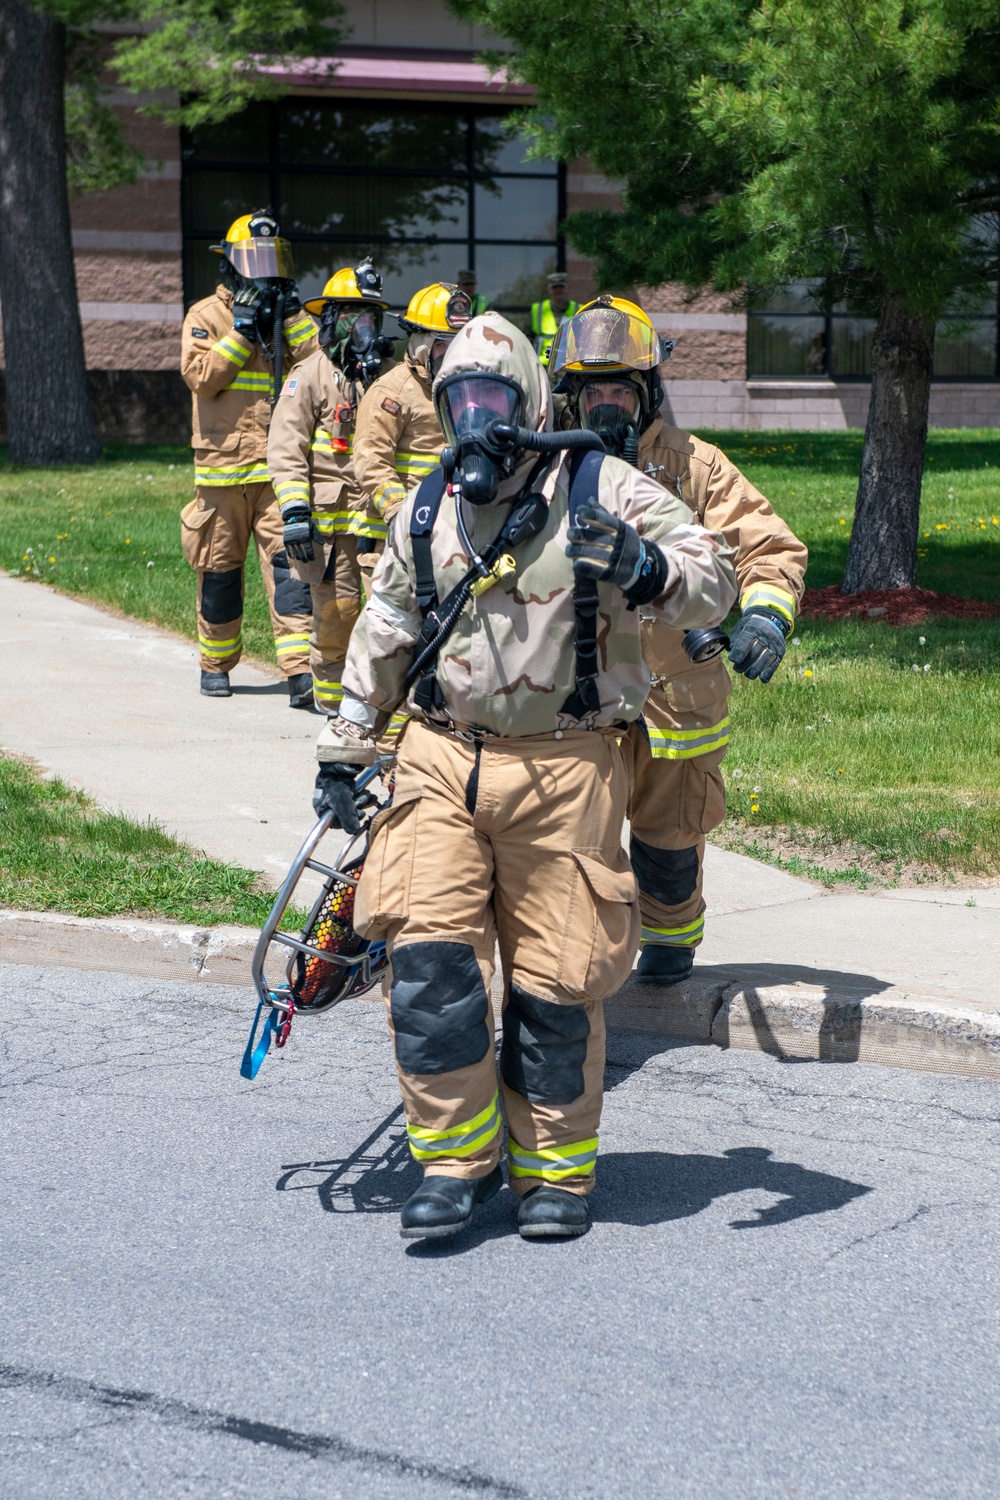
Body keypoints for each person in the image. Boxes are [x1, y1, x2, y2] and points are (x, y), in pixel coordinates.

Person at [311, 313, 737, 1242]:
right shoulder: (426, 507)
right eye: (460, 400)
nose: (477, 419)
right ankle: (453, 1163)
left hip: (566, 767)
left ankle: (554, 1173)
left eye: (494, 399)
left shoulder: (604, 486)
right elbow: (385, 623)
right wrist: (345, 748)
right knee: (431, 971)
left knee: (555, 984)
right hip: (438, 758)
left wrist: (647, 563)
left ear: (533, 404)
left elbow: (717, 578)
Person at [551, 296, 808, 983]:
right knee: (576, 842)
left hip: (675, 700)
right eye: (593, 391)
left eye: (620, 391)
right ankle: (579, 962)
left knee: (668, 844)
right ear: (569, 397)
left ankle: (671, 943)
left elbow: (770, 545)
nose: (607, 406)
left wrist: (764, 615)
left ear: (648, 393)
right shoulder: (548, 467)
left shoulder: (696, 465)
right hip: (581, 700)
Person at [180, 210, 318, 705]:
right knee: (219, 570)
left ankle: (301, 671)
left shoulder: (287, 321)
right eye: (255, 263)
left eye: (273, 263)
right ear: (231, 267)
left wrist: (296, 317)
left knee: (292, 568)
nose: (265, 274)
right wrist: (240, 332)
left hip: (278, 472)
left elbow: (318, 367)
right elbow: (201, 377)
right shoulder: (206, 317)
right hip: (221, 475)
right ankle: (215, 665)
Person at [267, 257, 395, 716]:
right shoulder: (308, 376)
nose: (365, 327)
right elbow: (285, 450)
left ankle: (376, 710)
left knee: (385, 620)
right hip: (330, 528)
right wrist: (296, 515)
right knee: (337, 616)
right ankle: (331, 710)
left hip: (379, 522)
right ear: (329, 320)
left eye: (372, 317)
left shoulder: (388, 375)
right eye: (353, 317)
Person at [353, 282, 471, 527]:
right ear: (420, 343)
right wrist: (400, 513)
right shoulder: (391, 392)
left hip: (449, 530)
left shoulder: (467, 391)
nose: (451, 353)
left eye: (457, 343)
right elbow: (371, 461)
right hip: (392, 541)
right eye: (441, 344)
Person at [530, 271, 579, 365]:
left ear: (567, 288)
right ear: (549, 289)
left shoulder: (579, 309)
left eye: (561, 287)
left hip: (570, 365)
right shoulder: (538, 310)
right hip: (543, 365)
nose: (558, 290)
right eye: (554, 287)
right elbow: (527, 337)